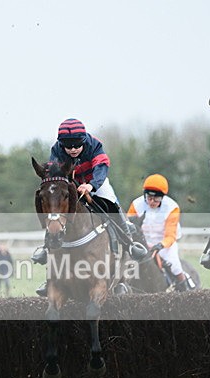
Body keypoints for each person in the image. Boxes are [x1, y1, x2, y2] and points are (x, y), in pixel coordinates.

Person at [33, 118, 141, 296]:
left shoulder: (95, 145)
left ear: (84, 141)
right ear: (62, 145)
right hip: (71, 185)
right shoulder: (56, 150)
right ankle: (47, 248)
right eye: (69, 147)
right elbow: (55, 174)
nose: (73, 150)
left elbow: (101, 168)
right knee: (57, 212)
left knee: (111, 202)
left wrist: (91, 185)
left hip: (96, 182)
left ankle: (129, 242)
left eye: (77, 146)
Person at [127, 174, 195, 291]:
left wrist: (160, 246)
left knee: (175, 265)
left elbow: (170, 235)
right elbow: (129, 227)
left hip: (164, 244)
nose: (152, 202)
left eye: (156, 199)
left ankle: (185, 289)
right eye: (149, 198)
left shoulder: (172, 207)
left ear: (163, 197)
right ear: (145, 195)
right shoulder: (136, 204)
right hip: (142, 243)